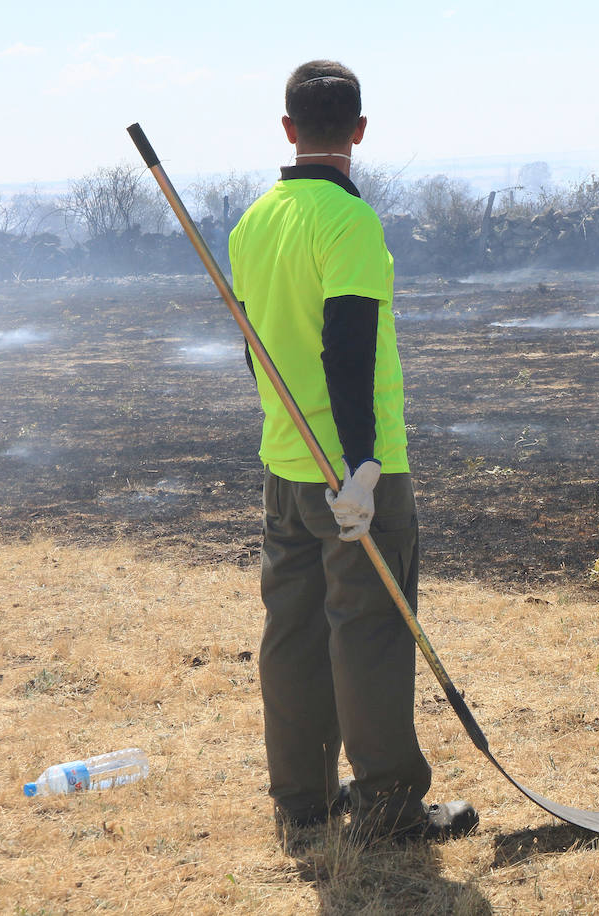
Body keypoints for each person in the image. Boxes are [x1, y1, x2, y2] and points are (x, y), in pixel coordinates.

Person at [228, 59, 477, 845]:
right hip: (356, 477)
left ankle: (301, 797)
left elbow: (254, 354)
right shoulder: (349, 223)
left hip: (285, 469)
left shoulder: (251, 224)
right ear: (360, 132)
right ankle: (391, 807)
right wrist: (363, 467)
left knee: (293, 631)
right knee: (368, 630)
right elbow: (351, 348)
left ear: (288, 129)